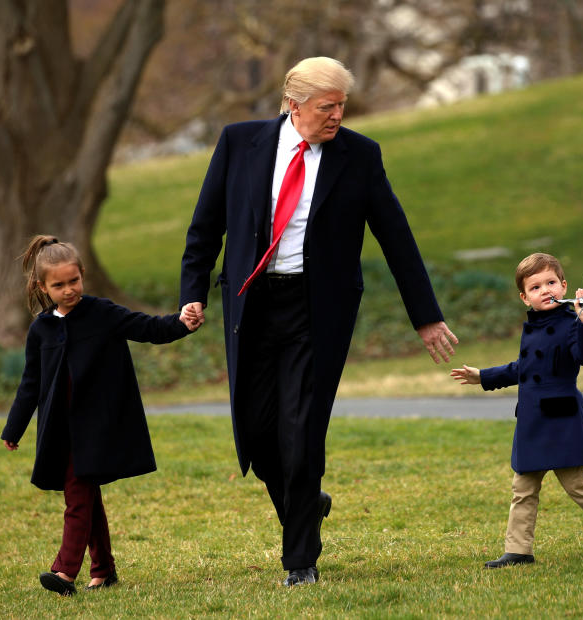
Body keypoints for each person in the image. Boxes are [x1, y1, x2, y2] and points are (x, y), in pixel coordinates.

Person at [179, 56, 457, 586]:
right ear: (293, 105)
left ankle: (300, 560)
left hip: (316, 312)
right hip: (252, 306)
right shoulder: (240, 143)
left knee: (301, 432)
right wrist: (193, 294)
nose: (337, 117)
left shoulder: (359, 155)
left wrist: (426, 318)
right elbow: (205, 227)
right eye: (326, 107)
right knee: (258, 437)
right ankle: (308, 502)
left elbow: (396, 238)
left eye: (342, 106)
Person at [1, 235, 199, 596]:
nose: (68, 290)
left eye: (73, 281)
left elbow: (147, 328)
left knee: (77, 497)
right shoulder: (41, 330)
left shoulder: (102, 313)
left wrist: (182, 323)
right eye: (58, 285)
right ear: (42, 287)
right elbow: (31, 384)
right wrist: (14, 427)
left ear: (83, 275)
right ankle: (104, 570)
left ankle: (63, 572)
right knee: (87, 496)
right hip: (61, 433)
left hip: (96, 430)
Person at [450, 252, 583, 568]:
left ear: (564, 285)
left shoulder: (572, 324)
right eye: (535, 287)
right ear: (524, 297)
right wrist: (483, 377)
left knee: (577, 485)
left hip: (561, 419)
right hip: (533, 421)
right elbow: (523, 368)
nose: (545, 290)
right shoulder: (533, 327)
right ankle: (518, 551)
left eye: (551, 283)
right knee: (523, 486)